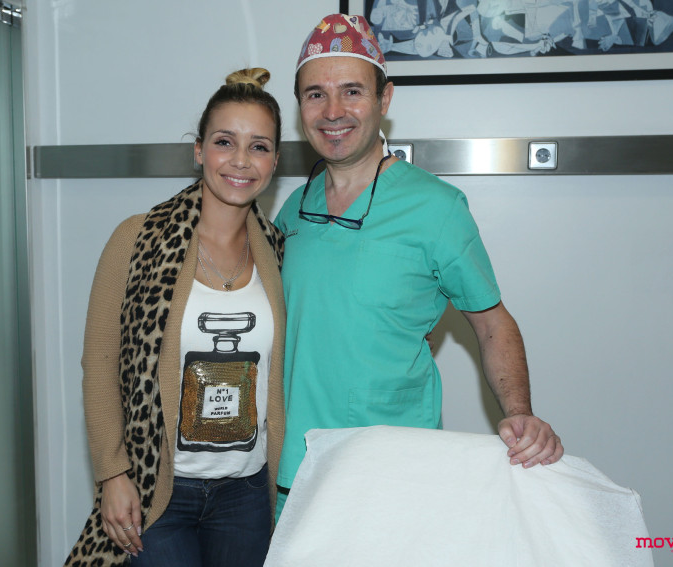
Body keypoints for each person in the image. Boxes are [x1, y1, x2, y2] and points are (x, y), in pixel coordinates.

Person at [273, 14, 564, 516]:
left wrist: (521, 414)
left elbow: (492, 324)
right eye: (315, 94)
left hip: (392, 476)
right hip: (290, 477)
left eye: (352, 92)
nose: (333, 111)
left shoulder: (436, 208)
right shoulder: (291, 210)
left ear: (384, 99)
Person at [65, 68, 286, 567]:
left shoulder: (277, 250)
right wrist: (112, 474)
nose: (241, 160)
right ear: (199, 150)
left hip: (247, 493)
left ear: (275, 161)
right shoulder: (137, 238)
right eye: (225, 142)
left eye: (259, 147)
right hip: (157, 489)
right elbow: (99, 363)